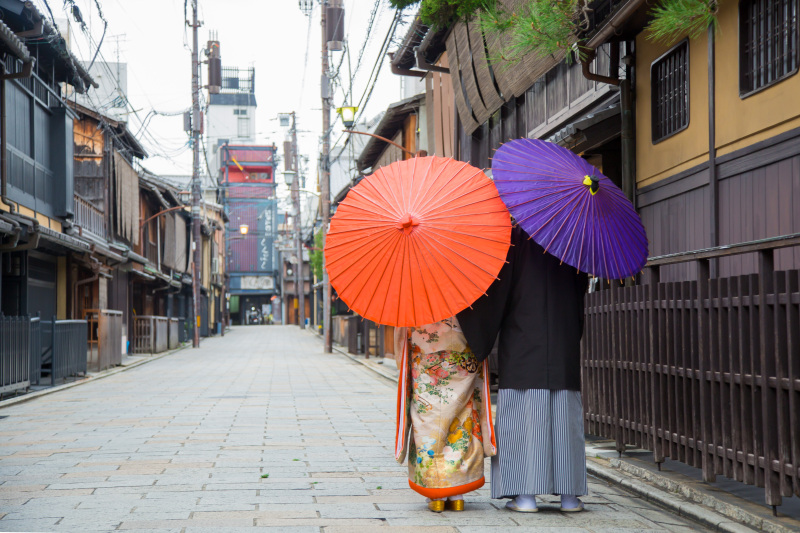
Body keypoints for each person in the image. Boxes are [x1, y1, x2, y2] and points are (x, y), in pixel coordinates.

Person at [457, 225, 589, 513]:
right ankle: (569, 497)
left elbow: (496, 290)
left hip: (523, 339)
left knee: (520, 419)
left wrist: (475, 326)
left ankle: (525, 496)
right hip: (562, 340)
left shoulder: (514, 238)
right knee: (566, 419)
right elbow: (580, 291)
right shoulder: (573, 236)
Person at [394, 317, 496, 512]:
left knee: (428, 419)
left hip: (425, 352)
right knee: (462, 417)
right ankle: (457, 494)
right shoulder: (467, 290)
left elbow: (401, 336)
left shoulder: (413, 293)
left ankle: (435, 490)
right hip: (463, 348)